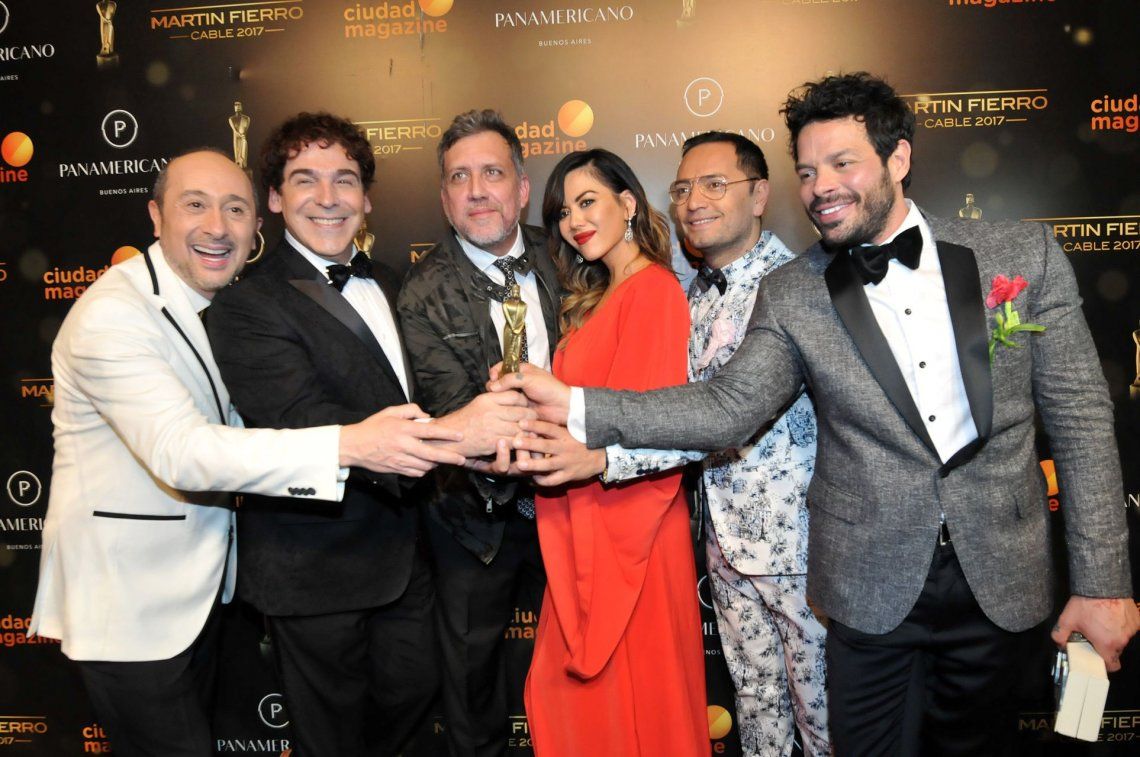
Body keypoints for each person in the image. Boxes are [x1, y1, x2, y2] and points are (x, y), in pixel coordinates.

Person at [493, 73, 1139, 755]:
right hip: (868, 590)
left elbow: (1081, 422)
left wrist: (1102, 585)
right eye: (807, 171)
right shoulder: (793, 291)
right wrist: (577, 403)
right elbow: (728, 407)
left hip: (1002, 581)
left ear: (897, 158)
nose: (821, 186)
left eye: (842, 163)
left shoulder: (1020, 256)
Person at [28, 148, 467, 757]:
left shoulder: (222, 302)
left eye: (234, 209)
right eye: (195, 205)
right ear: (155, 215)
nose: (217, 227)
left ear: (257, 223)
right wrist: (351, 444)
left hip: (204, 592)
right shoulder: (112, 316)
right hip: (130, 605)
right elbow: (180, 451)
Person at [205, 113, 532, 757]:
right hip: (314, 571)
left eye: (345, 180)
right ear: (275, 199)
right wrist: (461, 434)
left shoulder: (391, 281)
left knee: (412, 717)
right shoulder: (246, 305)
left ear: (367, 198)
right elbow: (307, 422)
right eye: (306, 180)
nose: (328, 198)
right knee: (332, 741)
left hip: (409, 560)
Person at [522, 148, 708, 756]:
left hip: (634, 535)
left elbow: (658, 430)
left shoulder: (653, 292)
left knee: (637, 704)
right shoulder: (597, 296)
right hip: (581, 525)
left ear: (627, 203)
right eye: (563, 212)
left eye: (587, 202)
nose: (574, 221)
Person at [396, 110, 556, 757]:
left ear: (522, 188)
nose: (477, 190)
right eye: (459, 177)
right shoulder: (420, 291)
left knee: (588, 662)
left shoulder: (569, 257)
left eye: (492, 173)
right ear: (444, 198)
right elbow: (458, 413)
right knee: (470, 679)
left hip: (575, 502)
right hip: (470, 515)